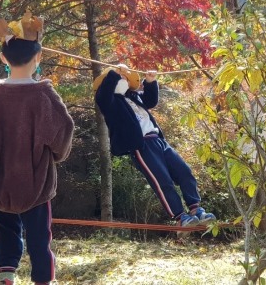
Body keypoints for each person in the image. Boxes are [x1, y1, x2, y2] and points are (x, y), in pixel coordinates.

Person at [0, 13, 74, 285]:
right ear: (39, 57)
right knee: (39, 236)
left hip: (0, 180)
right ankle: (43, 279)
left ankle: (6, 272)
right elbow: (62, 134)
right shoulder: (44, 95)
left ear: (2, 58)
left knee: (5, 228)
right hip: (36, 183)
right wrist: (57, 155)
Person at [93, 65, 216, 227]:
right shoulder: (110, 102)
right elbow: (103, 96)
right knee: (162, 181)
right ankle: (180, 217)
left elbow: (150, 100)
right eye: (119, 77)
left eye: (124, 77)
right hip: (140, 145)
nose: (123, 78)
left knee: (184, 171)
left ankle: (196, 209)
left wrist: (150, 82)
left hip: (158, 140)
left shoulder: (133, 96)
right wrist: (113, 74)